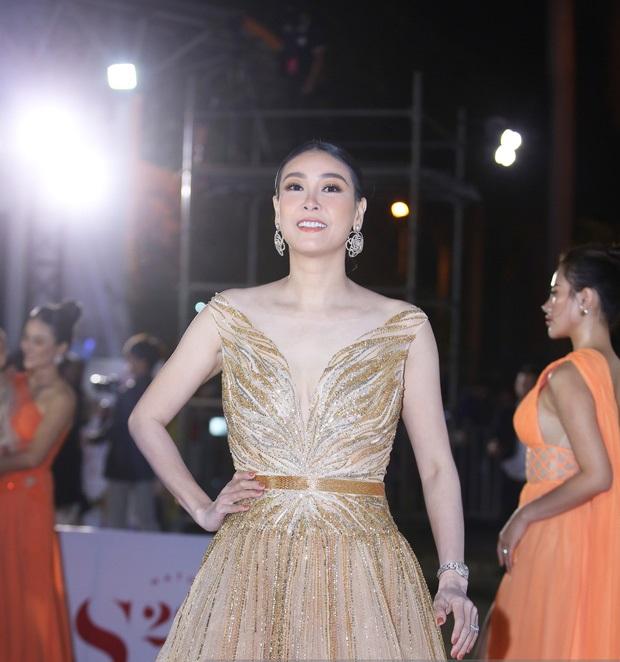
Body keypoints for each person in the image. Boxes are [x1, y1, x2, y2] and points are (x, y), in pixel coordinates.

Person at [129, 140, 478, 661]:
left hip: (364, 571)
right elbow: (147, 418)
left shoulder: (403, 327)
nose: (311, 200)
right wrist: (201, 507)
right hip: (251, 568)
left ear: (359, 212)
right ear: (277, 209)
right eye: (296, 187)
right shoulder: (229, 315)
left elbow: (435, 466)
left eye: (331, 188)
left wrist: (452, 575)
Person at [484, 245, 620, 659]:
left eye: (556, 292)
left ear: (586, 299)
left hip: (557, 534)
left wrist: (523, 515)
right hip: (596, 540)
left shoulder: (569, 375)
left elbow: (599, 474)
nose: (546, 305)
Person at [0, 301, 81, 662]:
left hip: (26, 506)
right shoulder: (11, 381)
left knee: (25, 596)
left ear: (60, 348)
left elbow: (33, 457)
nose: (27, 348)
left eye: (38, 341)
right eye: (26, 339)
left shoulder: (61, 397)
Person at [104, 333, 162, 530]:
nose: (128, 364)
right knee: (145, 519)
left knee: (118, 519)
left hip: (126, 461)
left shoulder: (131, 390)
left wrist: (98, 436)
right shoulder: (157, 389)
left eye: (130, 359)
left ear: (142, 361)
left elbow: (119, 427)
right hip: (144, 461)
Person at [486, 365, 538, 523]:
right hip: (510, 469)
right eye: (521, 383)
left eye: (528, 383)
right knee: (508, 516)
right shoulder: (506, 411)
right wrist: (494, 445)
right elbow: (495, 435)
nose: (524, 387)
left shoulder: (542, 411)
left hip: (535, 473)